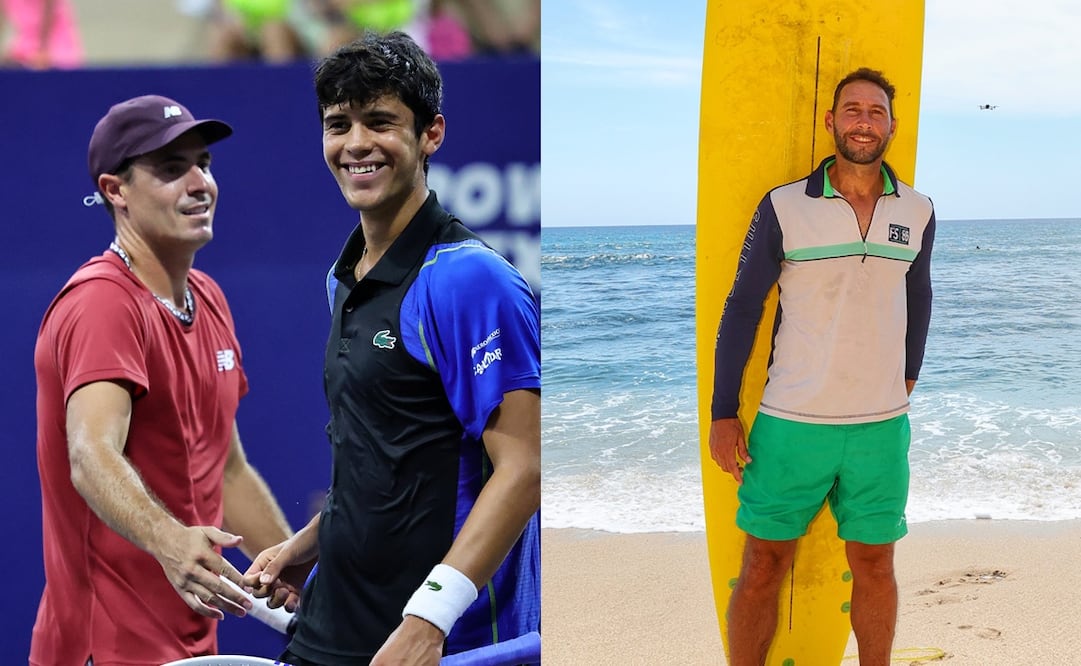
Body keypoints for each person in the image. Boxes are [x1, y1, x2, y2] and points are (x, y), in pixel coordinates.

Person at [243, 30, 540, 666]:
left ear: (431, 133)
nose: (355, 144)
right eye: (337, 124)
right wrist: (310, 543)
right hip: (331, 625)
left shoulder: (470, 278)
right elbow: (391, 462)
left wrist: (428, 620)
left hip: (433, 643)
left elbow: (523, 469)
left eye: (379, 121)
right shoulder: (342, 276)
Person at [31, 94, 294, 665]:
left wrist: (293, 569)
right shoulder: (103, 303)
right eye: (172, 170)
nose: (200, 183)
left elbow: (226, 469)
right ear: (115, 191)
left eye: (204, 163)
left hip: (190, 645)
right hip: (102, 647)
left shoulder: (209, 299)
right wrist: (175, 543)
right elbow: (90, 455)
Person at [709, 68, 935, 666]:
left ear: (891, 124)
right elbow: (742, 305)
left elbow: (920, 294)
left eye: (877, 111)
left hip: (880, 428)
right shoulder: (784, 206)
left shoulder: (917, 209)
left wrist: (910, 371)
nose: (865, 121)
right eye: (853, 110)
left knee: (876, 563)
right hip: (792, 422)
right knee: (763, 562)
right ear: (832, 122)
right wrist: (723, 411)